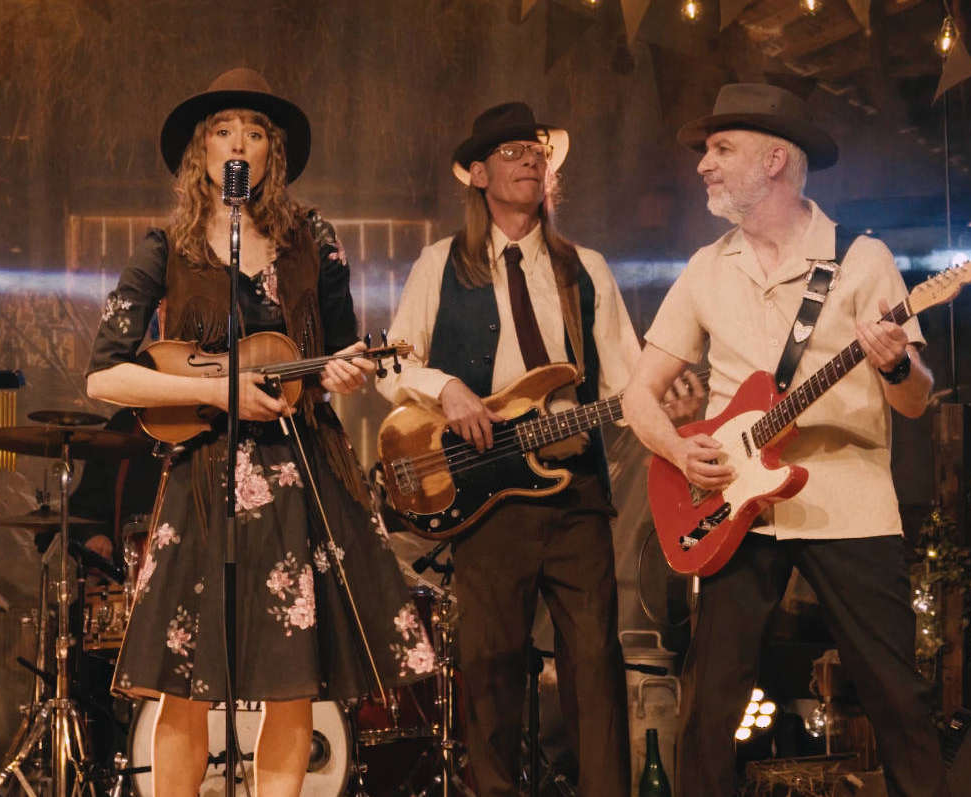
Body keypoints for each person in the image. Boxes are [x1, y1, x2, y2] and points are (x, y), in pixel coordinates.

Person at [85, 68, 434, 797]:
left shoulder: (316, 240)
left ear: (271, 151)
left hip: (301, 469)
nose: (237, 142)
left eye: (252, 130)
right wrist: (216, 388)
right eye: (221, 130)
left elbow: (342, 353)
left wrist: (346, 371)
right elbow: (104, 378)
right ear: (200, 152)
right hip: (203, 476)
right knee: (183, 682)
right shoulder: (164, 248)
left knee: (293, 680)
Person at [618, 83, 943, 797]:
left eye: (720, 149)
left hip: (848, 502)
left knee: (897, 697)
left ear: (773, 160)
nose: (703, 165)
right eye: (706, 151)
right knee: (709, 704)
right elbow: (638, 395)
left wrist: (893, 359)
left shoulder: (862, 259)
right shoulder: (708, 267)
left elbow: (915, 400)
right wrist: (679, 450)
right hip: (739, 508)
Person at [378, 101, 684, 797]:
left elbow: (632, 381)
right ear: (479, 173)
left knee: (594, 670)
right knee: (489, 670)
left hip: (574, 490)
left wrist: (672, 400)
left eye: (537, 151)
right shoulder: (440, 264)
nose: (530, 160)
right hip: (486, 494)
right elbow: (391, 366)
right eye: (513, 151)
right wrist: (449, 387)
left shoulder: (586, 269)